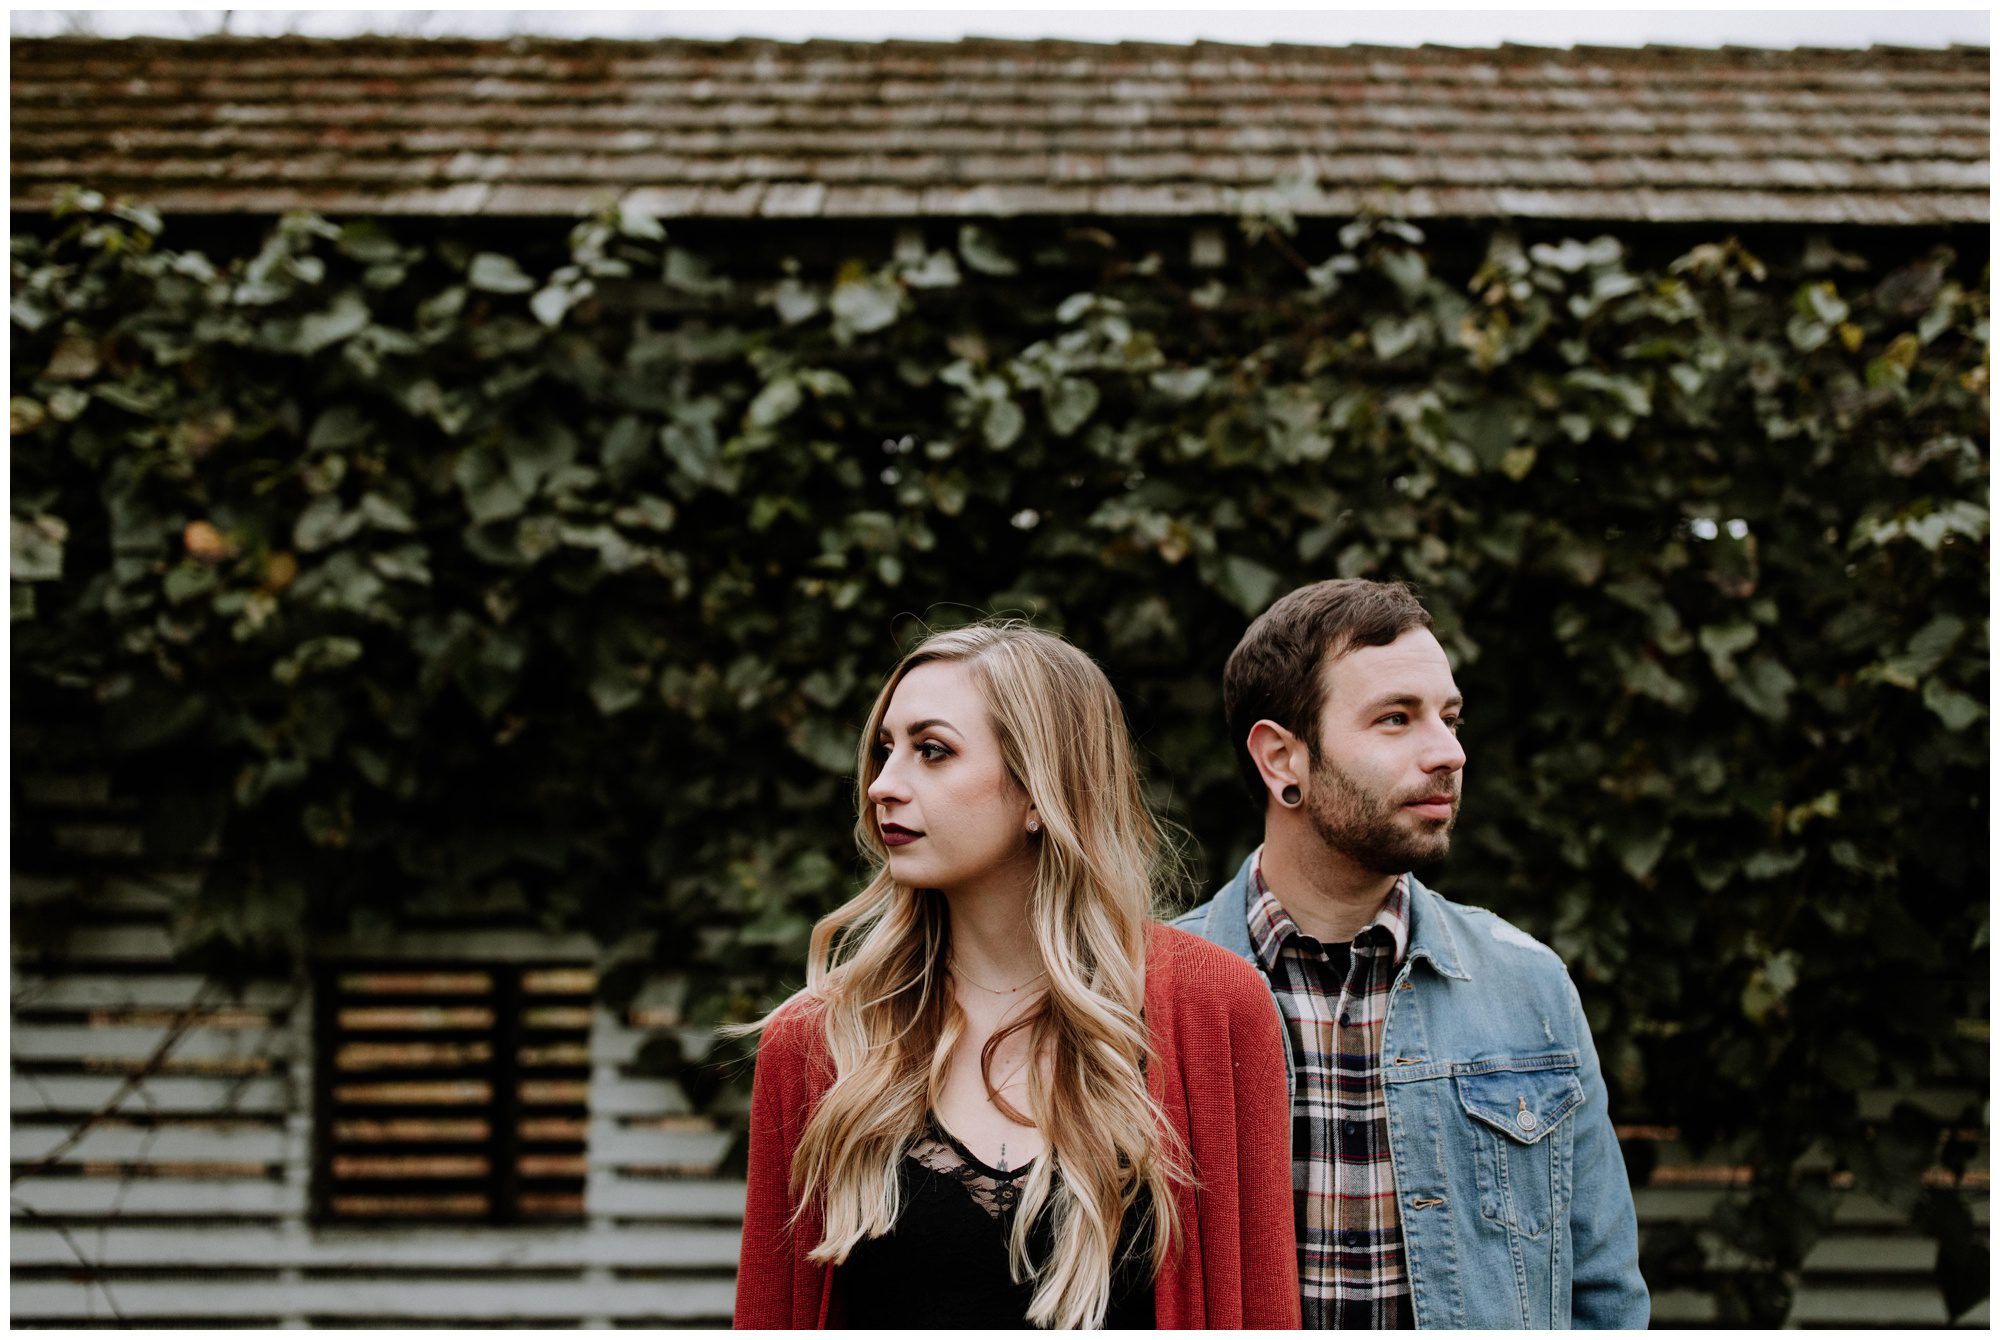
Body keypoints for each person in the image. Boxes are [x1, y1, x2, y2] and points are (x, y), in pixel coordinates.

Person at [732, 621, 1300, 1330]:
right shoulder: (818, 1040)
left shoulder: (1213, 1008)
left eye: (931, 752)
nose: (882, 786)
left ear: (1040, 791)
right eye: (885, 751)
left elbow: (1260, 1307)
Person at [1171, 579, 1650, 1329]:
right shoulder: (1147, 993)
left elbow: (1606, 1300)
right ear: (1281, 759)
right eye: (1397, 719)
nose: (1449, 753)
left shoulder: (1528, 988)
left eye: (1450, 719)